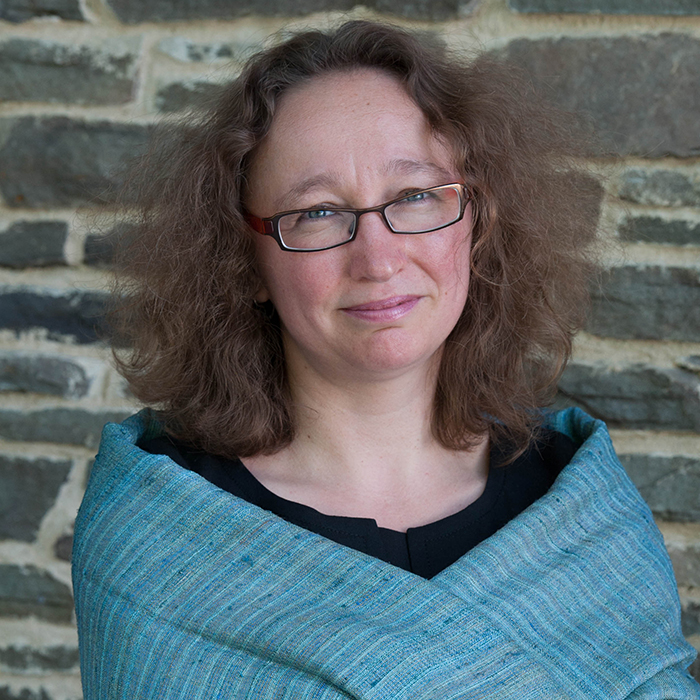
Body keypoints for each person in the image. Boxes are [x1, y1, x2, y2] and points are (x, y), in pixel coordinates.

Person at [72, 20, 700, 699]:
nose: (377, 259)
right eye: (316, 212)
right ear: (244, 261)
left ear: (477, 223)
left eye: (416, 197)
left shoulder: (584, 516)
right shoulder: (160, 537)